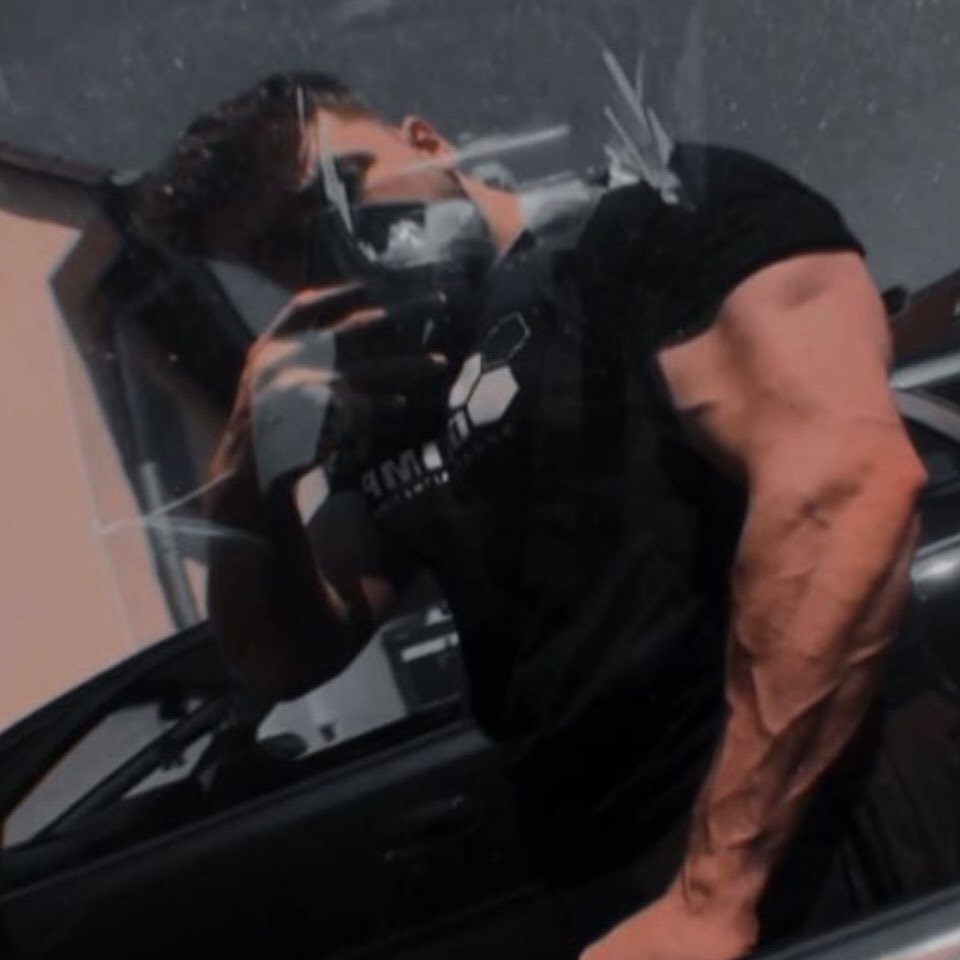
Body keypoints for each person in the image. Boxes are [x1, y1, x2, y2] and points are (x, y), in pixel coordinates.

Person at [128, 71, 959, 959]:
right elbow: (281, 659)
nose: (329, 244)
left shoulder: (647, 223)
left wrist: (715, 895)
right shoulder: (395, 400)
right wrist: (246, 467)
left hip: (819, 811)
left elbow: (848, 494)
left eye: (342, 187)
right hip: (613, 861)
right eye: (278, 248)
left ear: (428, 140)